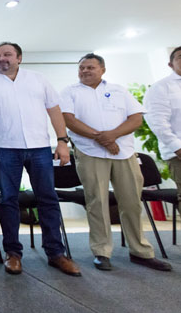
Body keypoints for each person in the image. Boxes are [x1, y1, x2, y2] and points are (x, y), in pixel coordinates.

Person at [0, 42, 80, 276]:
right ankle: (13, 253)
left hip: (39, 147)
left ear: (19, 58)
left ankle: (56, 253)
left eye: (7, 54)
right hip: (4, 148)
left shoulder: (38, 79)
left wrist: (62, 141)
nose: (1, 58)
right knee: (8, 200)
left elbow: (54, 110)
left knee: (48, 198)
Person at [61, 53, 171, 272]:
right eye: (82, 68)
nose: (85, 71)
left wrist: (112, 136)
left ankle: (140, 251)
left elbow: (136, 118)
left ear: (102, 69)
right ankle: (102, 252)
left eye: (90, 67)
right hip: (90, 152)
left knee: (131, 202)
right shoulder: (70, 91)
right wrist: (102, 138)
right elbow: (69, 120)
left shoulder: (119, 90)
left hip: (124, 152)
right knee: (97, 202)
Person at [144, 46, 181, 216]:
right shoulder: (161, 87)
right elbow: (157, 121)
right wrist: (177, 147)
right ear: (170, 64)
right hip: (178, 153)